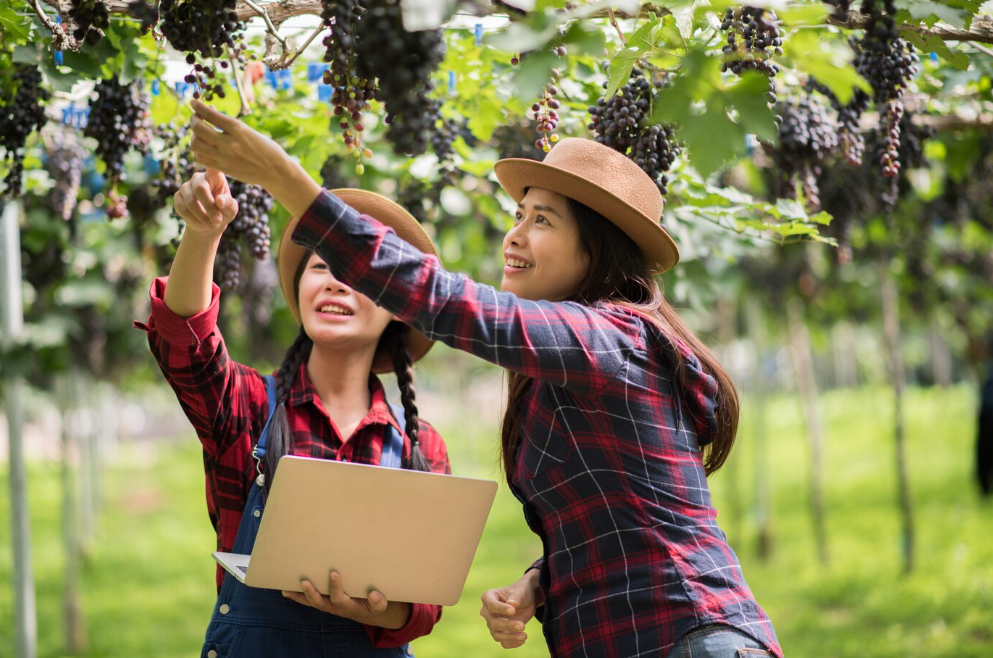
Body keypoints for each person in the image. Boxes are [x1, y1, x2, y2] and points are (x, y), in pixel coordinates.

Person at [186, 98, 782, 658]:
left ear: (595, 248)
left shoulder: (610, 340)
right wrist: (539, 584)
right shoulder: (567, 368)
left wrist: (286, 181)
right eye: (518, 214)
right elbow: (616, 513)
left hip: (689, 634)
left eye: (542, 219)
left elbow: (450, 303)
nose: (515, 235)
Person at [136, 168, 451, 657]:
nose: (337, 284)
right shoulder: (249, 404)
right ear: (301, 288)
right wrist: (203, 233)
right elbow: (185, 342)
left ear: (397, 307)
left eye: (361, 274)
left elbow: (424, 606)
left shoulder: (419, 445)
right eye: (322, 267)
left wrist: (366, 609)